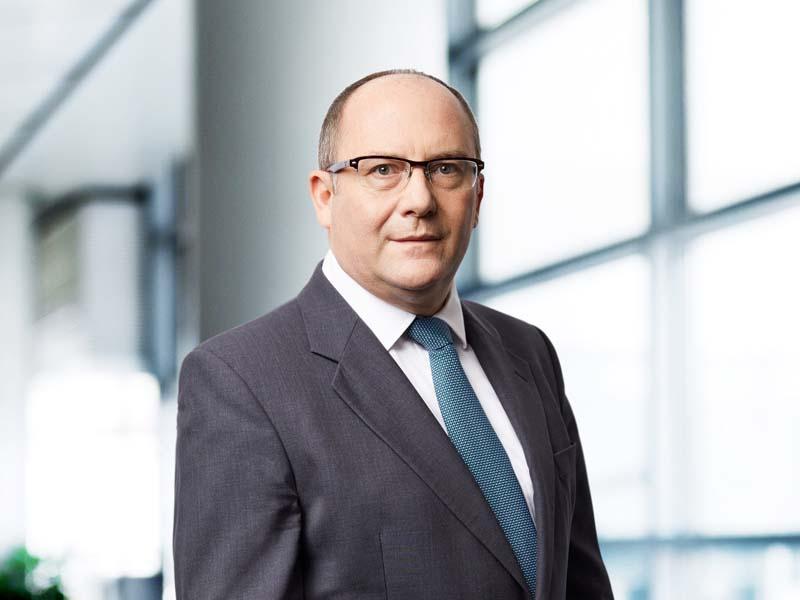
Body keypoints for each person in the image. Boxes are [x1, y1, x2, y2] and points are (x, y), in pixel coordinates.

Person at [173, 69, 613, 599]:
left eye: (446, 168)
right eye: (383, 169)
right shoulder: (241, 381)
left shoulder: (529, 352)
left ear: (477, 196)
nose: (419, 200)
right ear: (324, 196)